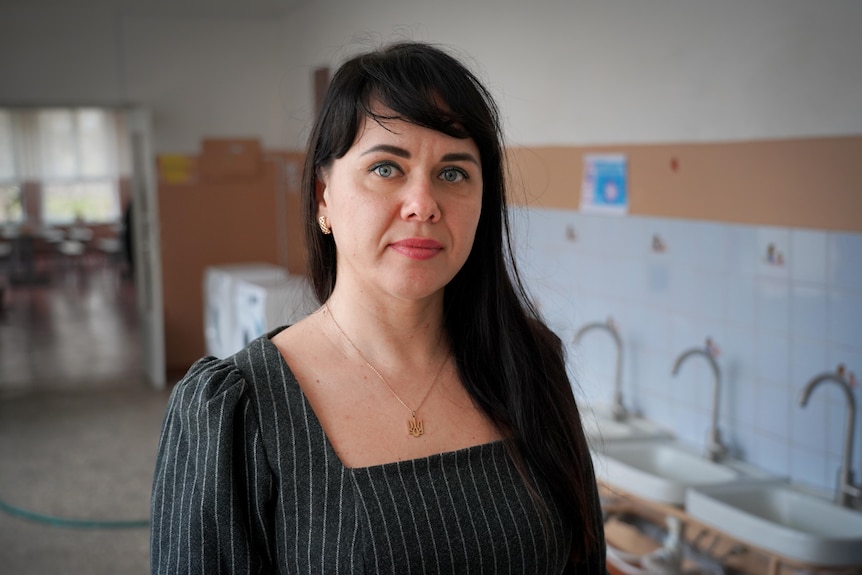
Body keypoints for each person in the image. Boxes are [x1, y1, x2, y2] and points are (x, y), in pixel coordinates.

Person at [151, 41, 606, 574]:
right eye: (387, 168)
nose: (423, 204)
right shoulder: (236, 412)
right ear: (324, 197)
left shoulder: (529, 363)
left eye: (454, 172)